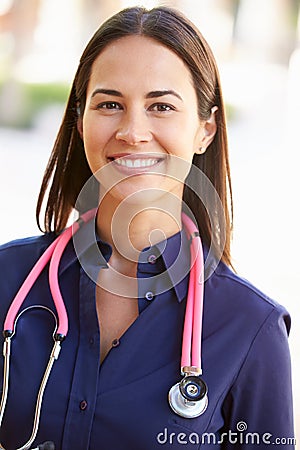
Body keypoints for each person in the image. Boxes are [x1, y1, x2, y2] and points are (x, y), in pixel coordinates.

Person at [0, 6, 294, 450]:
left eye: (161, 106)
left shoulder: (250, 328)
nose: (133, 131)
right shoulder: (6, 280)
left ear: (205, 129)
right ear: (81, 122)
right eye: (110, 104)